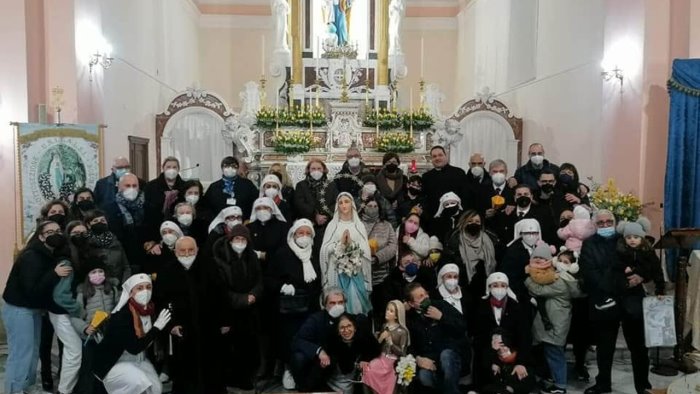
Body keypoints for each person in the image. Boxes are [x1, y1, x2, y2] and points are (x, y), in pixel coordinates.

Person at [580, 210, 652, 394]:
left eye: (608, 221)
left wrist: (642, 275)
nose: (605, 225)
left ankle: (643, 386)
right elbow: (590, 273)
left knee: (638, 347)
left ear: (615, 222)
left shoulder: (627, 239)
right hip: (604, 300)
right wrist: (620, 282)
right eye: (601, 222)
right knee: (604, 347)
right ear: (595, 225)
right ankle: (603, 383)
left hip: (631, 300)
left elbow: (648, 261)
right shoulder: (589, 244)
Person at [2, 220, 72, 394]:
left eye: (58, 230)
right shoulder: (31, 256)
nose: (55, 234)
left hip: (33, 310)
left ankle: (27, 386)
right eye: (49, 232)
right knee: (21, 354)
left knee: (33, 352)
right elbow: (31, 290)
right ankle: (14, 389)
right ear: (40, 237)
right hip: (19, 309)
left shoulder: (50, 255)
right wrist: (54, 274)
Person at [153, 236, 220, 394]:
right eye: (182, 250)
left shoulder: (209, 266)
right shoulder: (167, 270)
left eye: (191, 250)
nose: (187, 253)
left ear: (197, 250)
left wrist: (223, 321)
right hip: (181, 329)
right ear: (175, 252)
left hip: (208, 327)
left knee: (211, 368)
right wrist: (171, 326)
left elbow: (219, 294)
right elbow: (160, 301)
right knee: (184, 371)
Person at [94, 273, 172, 394]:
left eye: (148, 287)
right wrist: (156, 327)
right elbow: (135, 348)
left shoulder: (150, 310)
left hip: (140, 360)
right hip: (114, 363)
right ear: (130, 293)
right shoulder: (122, 316)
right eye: (139, 288)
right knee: (140, 381)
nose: (145, 291)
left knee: (156, 388)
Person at [268, 219, 323, 390]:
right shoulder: (282, 253)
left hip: (310, 306)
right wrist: (282, 286)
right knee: (289, 340)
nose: (304, 237)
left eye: (308, 233)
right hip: (289, 309)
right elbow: (268, 279)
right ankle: (288, 368)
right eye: (301, 233)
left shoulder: (315, 254)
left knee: (309, 338)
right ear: (293, 234)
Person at [210, 224, 262, 392]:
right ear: (230, 240)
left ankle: (247, 378)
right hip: (228, 312)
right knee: (230, 349)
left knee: (248, 346)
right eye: (237, 239)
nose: (240, 242)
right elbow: (220, 289)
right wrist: (241, 299)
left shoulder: (250, 256)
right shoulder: (219, 258)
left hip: (250, 310)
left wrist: (254, 294)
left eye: (243, 239)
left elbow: (259, 280)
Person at [525, 243, 582, 394]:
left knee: (555, 355)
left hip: (556, 324)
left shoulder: (562, 281)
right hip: (554, 322)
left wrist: (528, 277)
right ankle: (553, 380)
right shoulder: (560, 277)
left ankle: (560, 386)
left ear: (573, 266)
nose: (562, 264)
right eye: (561, 260)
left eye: (566, 262)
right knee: (551, 353)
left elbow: (538, 290)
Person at [247, 196, 288, 378]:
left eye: (266, 207)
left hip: (276, 280)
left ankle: (279, 363)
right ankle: (263, 363)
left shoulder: (282, 227)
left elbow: (284, 251)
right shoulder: (249, 228)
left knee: (277, 325)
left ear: (273, 209)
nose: (263, 210)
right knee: (259, 327)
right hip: (254, 282)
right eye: (259, 207)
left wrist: (264, 255)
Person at [473, 273, 534, 393]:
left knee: (524, 377)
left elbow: (525, 337)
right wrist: (492, 360)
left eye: (503, 285)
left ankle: (507, 389)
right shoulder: (481, 307)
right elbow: (478, 338)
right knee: (486, 377)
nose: (499, 288)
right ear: (489, 287)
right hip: (488, 356)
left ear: (507, 288)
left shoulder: (517, 307)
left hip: (513, 356)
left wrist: (519, 362)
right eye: (495, 285)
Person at [405, 282, 467, 394]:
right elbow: (408, 345)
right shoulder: (410, 319)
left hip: (451, 355)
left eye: (425, 294)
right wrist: (418, 359)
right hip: (430, 360)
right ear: (411, 303)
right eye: (420, 297)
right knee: (423, 376)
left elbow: (461, 326)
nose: (425, 298)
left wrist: (441, 317)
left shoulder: (441, 305)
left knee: (446, 356)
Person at [320, 193, 373, 315]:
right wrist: (339, 245)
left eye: (347, 201)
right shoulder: (332, 225)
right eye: (340, 202)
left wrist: (351, 245)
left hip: (356, 272)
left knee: (357, 307)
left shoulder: (358, 225)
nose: (344, 205)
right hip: (336, 271)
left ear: (352, 204)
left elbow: (365, 250)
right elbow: (324, 249)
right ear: (337, 206)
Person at [290, 287, 349, 391]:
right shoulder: (316, 319)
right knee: (298, 358)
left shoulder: (350, 319)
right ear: (325, 304)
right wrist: (319, 351)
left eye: (340, 302)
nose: (337, 306)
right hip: (317, 358)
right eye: (332, 303)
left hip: (339, 360)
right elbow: (298, 340)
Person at [444, 210, 498, 301]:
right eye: (470, 221)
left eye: (477, 222)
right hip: (461, 288)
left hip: (485, 289)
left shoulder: (491, 239)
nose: (474, 224)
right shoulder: (454, 240)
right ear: (463, 222)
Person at [359, 196, 398, 318]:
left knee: (382, 310)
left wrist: (377, 258)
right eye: (370, 206)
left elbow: (392, 246)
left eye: (375, 206)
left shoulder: (386, 225)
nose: (372, 208)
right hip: (361, 274)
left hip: (381, 275)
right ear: (364, 207)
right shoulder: (357, 224)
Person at [362, 300, 410, 394]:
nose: (387, 312)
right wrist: (380, 338)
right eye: (387, 309)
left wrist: (391, 343)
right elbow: (378, 345)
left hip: (393, 360)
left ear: (396, 316)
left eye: (391, 311)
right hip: (381, 357)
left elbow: (403, 353)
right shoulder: (384, 326)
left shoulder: (402, 331)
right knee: (367, 370)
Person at [102, 173, 147, 272]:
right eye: (127, 186)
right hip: (121, 260)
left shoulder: (147, 206)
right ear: (119, 187)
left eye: (134, 186)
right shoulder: (108, 209)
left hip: (145, 258)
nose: (131, 189)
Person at [326, 313, 381, 394]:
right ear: (338, 331)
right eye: (342, 327)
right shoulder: (334, 344)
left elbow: (376, 350)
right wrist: (357, 364)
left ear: (355, 328)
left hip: (351, 384)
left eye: (349, 326)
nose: (346, 330)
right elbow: (346, 368)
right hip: (335, 384)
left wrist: (365, 359)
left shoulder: (362, 338)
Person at [421, 145, 470, 223]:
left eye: (440, 155)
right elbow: (424, 198)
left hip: (456, 218)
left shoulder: (459, 173)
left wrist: (462, 215)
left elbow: (466, 196)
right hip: (434, 219)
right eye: (434, 156)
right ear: (431, 159)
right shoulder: (426, 177)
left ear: (446, 156)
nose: (437, 158)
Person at [143, 156, 185, 245]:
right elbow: (147, 211)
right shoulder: (151, 186)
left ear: (178, 169)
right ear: (163, 168)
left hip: (179, 230)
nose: (171, 170)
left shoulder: (184, 187)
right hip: (156, 229)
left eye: (174, 167)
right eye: (168, 167)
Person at [84, 209, 132, 286]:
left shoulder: (116, 241)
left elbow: (126, 267)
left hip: (120, 286)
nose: (100, 222)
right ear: (88, 225)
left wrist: (124, 285)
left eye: (103, 220)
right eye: (95, 221)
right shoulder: (86, 243)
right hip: (98, 288)